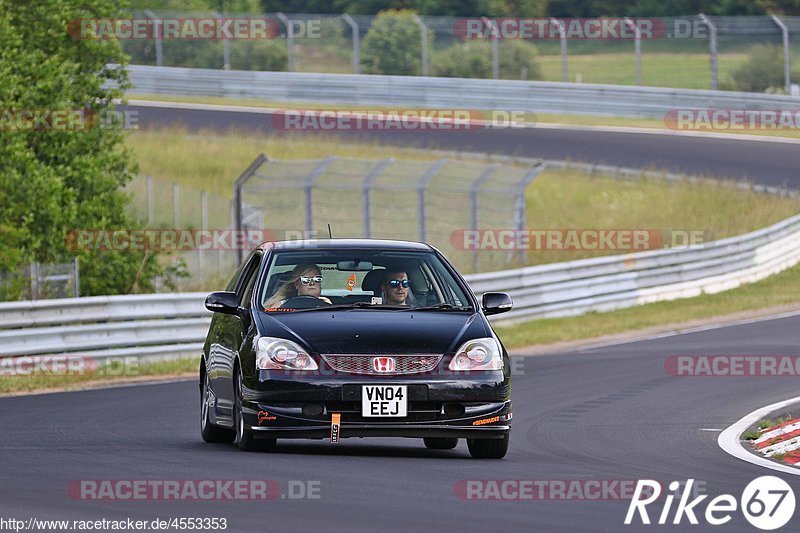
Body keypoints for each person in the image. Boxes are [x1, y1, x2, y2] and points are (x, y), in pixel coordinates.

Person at [264, 263, 332, 308]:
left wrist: (329, 306)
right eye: (306, 280)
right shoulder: (281, 304)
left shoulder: (327, 303)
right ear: (296, 284)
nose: (312, 283)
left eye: (317, 279)